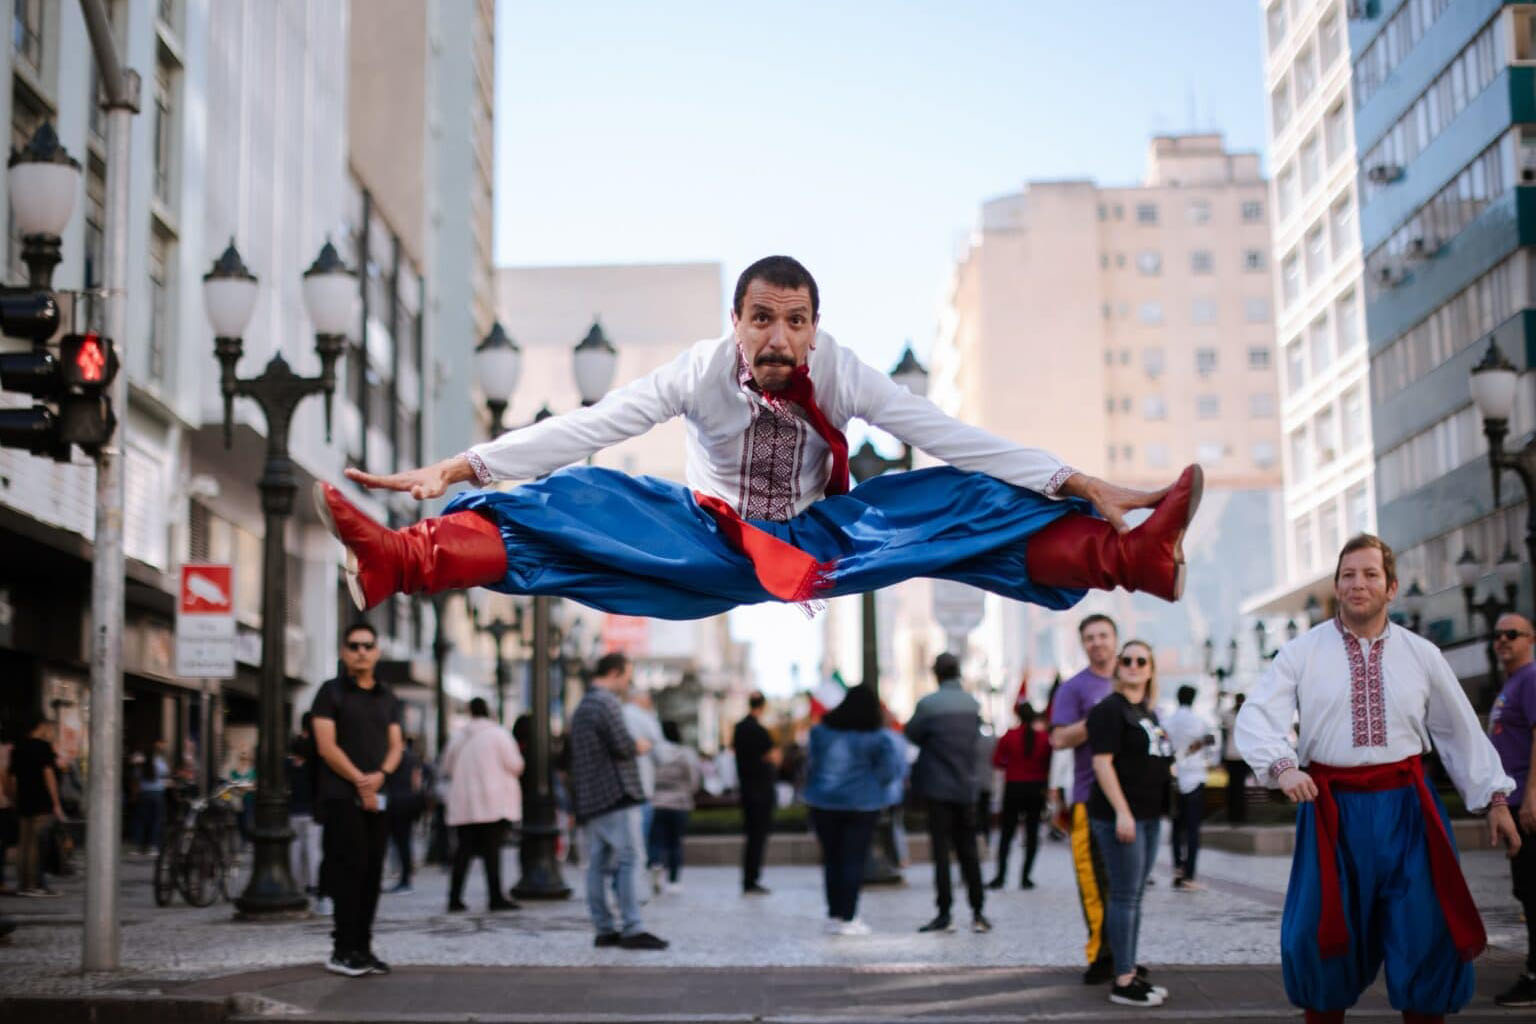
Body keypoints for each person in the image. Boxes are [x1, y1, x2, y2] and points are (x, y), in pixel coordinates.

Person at [317, 257, 1203, 630]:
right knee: (573, 499)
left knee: (963, 500)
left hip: (823, 536)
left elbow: (946, 432)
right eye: (762, 322)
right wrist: (465, 464)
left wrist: (1076, 477)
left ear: (816, 328)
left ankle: (1131, 558)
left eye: (795, 322)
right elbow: (597, 422)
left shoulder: (845, 371)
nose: (779, 340)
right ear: (736, 324)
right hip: (707, 533)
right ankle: (401, 557)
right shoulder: (697, 373)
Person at [1236, 535, 1520, 1024]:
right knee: (1318, 933)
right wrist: (1283, 767)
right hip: (1332, 812)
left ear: (1391, 588)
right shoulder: (1301, 653)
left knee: (1424, 931)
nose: (1358, 583)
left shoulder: (1422, 654)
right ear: (1337, 587)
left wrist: (1494, 798)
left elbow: (1458, 729)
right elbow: (1258, 714)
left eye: (1370, 574)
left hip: (1408, 811)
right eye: (1348, 575)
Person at [311, 621, 404, 978]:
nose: (361, 652)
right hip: (340, 796)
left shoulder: (387, 697)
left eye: (368, 646)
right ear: (343, 652)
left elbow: (397, 745)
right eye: (354, 646)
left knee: (372, 873)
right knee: (347, 872)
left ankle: (363, 948)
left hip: (377, 796)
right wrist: (360, 780)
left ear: (377, 652)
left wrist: (379, 777)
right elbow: (326, 746)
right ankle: (341, 950)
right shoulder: (330, 692)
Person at [1088, 640, 1175, 1007]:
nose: (1135, 665)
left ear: (1151, 668)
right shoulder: (1110, 710)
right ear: (1118, 667)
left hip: (1148, 816)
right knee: (1124, 895)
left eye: (1142, 660)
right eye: (1128, 660)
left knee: (1134, 895)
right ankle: (1122, 980)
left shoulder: (1146, 713)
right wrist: (1123, 812)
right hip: (1121, 818)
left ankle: (1129, 969)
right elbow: (1102, 764)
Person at [569, 652, 667, 950]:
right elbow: (622, 745)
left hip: (591, 797)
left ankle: (604, 928)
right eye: (626, 676)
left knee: (597, 865)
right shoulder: (607, 702)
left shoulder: (583, 705)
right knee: (629, 859)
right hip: (616, 793)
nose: (628, 683)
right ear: (613, 673)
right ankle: (632, 927)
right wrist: (642, 745)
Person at [1050, 614, 1119, 983]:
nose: (1097, 643)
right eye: (1090, 637)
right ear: (1083, 644)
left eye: (1103, 636)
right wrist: (1099, 718)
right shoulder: (1074, 688)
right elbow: (1058, 739)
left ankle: (1125, 957)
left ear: (1115, 639)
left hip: (1131, 800)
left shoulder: (1134, 681)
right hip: (1088, 798)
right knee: (1094, 881)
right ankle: (1100, 954)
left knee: (1126, 884)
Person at [803, 684, 903, 936]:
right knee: (853, 860)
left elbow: (810, 765)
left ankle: (834, 914)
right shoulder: (877, 736)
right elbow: (890, 770)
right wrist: (872, 785)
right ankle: (849, 917)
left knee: (831, 859)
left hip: (823, 803)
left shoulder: (821, 732)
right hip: (862, 804)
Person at [906, 653, 990, 934]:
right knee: (969, 851)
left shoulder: (928, 704)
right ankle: (978, 912)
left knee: (941, 853)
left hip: (937, 787)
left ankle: (944, 913)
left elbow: (912, 734)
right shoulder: (972, 703)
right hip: (966, 786)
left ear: (936, 674)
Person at [1485, 612, 1536, 1007]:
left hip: (1528, 803)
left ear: (1530, 639)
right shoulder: (1512, 685)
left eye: (1512, 634)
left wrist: (1532, 794)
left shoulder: (1531, 678)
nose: (1503, 639)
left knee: (1533, 890)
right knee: (1526, 889)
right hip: (1515, 801)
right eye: (1498, 634)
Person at [440, 698, 523, 913]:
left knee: (463, 851)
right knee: (492, 852)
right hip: (493, 802)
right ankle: (495, 897)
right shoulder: (499, 734)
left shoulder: (458, 736)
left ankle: (454, 897)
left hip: (464, 803)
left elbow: (447, 767)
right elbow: (515, 765)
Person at [989, 700, 1052, 890]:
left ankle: (1001, 876)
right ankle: (1026, 877)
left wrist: (1013, 766)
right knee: (1032, 834)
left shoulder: (1009, 736)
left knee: (1007, 833)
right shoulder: (1043, 738)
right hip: (1036, 789)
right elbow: (1049, 763)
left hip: (1014, 787)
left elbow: (997, 761)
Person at [1164, 684, 1215, 891]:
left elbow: (1164, 749)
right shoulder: (1201, 722)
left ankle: (1177, 866)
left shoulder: (1167, 722)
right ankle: (1189, 874)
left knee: (1176, 826)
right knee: (1193, 829)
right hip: (1195, 776)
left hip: (1174, 779)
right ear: (1193, 699)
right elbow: (1212, 749)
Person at [8, 717, 62, 897]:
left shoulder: (18, 747)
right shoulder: (43, 747)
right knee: (37, 845)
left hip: (24, 800)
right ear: (41, 727)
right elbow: (49, 775)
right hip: (42, 801)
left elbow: (13, 778)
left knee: (24, 843)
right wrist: (55, 802)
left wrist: (15, 798)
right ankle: (34, 884)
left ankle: (23, 883)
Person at [733, 691, 779, 895]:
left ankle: (748, 878)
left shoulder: (739, 729)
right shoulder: (760, 731)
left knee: (751, 836)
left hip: (746, 789)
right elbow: (774, 757)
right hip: (761, 789)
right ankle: (751, 879)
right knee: (758, 837)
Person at [648, 721, 700, 894]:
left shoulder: (654, 753)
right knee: (675, 842)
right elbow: (693, 779)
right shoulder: (685, 754)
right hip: (680, 802)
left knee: (656, 840)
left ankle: (655, 865)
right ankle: (674, 881)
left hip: (657, 801)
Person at [622, 690, 663, 898]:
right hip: (641, 789)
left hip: (617, 792)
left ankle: (620, 890)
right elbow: (662, 754)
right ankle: (635, 893)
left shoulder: (617, 714)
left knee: (620, 847)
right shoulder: (647, 720)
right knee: (638, 847)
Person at [286, 715, 323, 903]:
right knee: (312, 849)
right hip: (311, 811)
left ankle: (296, 883)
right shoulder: (315, 763)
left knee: (295, 848)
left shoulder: (288, 766)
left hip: (293, 811)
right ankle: (314, 883)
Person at [383, 736, 424, 895]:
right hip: (408, 802)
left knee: (398, 843)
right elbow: (417, 782)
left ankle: (403, 878)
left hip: (394, 802)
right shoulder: (412, 757)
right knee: (404, 842)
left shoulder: (390, 756)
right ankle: (405, 878)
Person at [131, 741, 169, 855]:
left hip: (144, 794)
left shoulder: (140, 764)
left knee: (141, 821)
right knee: (156, 820)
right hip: (157, 794)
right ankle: (153, 846)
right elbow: (166, 772)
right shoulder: (159, 762)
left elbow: (135, 778)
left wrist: (134, 795)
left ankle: (138, 846)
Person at [1221, 693, 1249, 824]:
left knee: (1237, 787)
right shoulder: (1231, 716)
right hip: (1234, 755)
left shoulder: (1230, 715)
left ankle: (1237, 814)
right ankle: (1235, 814)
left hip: (1237, 755)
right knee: (1235, 787)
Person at [0, 733, 15, 895]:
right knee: (1, 843)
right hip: (2, 802)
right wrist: (11, 796)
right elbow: (4, 775)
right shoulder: (3, 751)